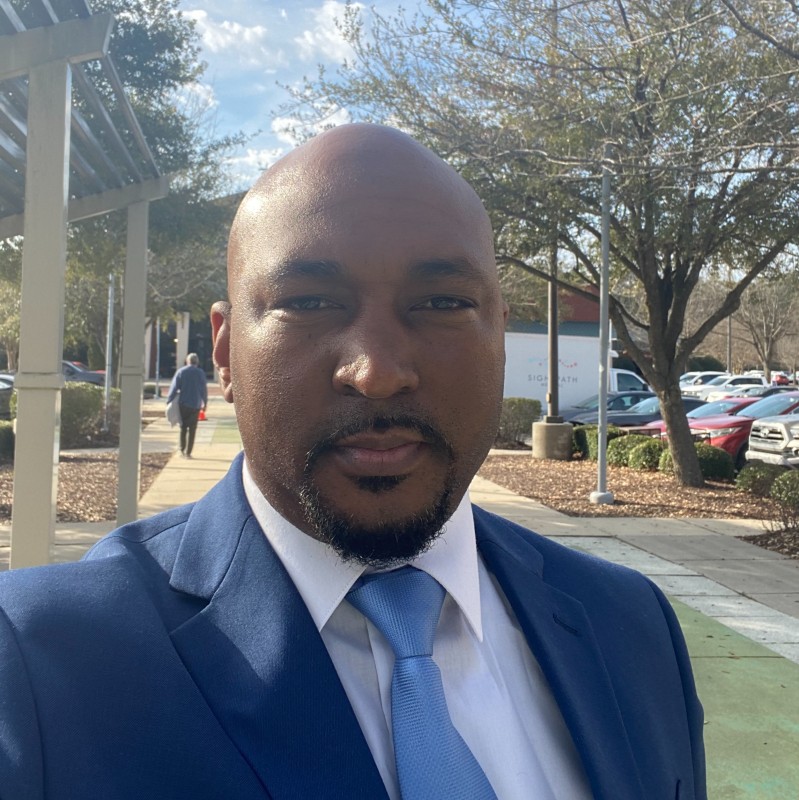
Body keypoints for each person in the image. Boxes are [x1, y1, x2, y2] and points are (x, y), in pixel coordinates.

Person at [0, 124, 706, 799]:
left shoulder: (630, 625)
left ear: (498, 329)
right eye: (308, 302)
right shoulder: (39, 663)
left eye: (441, 302)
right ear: (223, 351)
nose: (376, 373)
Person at [166, 352, 208, 458]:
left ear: (188, 361)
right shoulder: (200, 373)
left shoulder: (181, 372)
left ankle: (182, 449)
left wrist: (169, 400)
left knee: (183, 427)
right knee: (193, 429)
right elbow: (204, 390)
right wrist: (205, 403)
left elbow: (174, 388)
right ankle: (189, 452)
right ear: (197, 362)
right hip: (196, 404)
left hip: (183, 403)